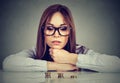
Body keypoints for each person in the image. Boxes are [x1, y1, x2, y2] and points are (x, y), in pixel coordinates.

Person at [3, 4, 120, 72]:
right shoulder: (36, 51)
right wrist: (58, 66)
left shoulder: (80, 51)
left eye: (63, 28)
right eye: (50, 28)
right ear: (43, 31)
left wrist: (71, 58)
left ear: (70, 32)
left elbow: (116, 64)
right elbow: (8, 63)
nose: (56, 34)